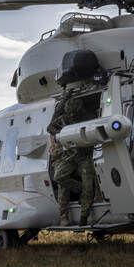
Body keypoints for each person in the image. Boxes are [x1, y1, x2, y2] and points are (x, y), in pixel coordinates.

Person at [46, 94, 96, 226]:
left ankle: (84, 215)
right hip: (69, 155)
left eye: (74, 113)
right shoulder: (64, 119)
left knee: (88, 184)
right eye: (70, 113)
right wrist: (63, 133)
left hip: (84, 156)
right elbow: (50, 128)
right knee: (59, 177)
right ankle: (78, 189)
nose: (72, 115)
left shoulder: (89, 118)